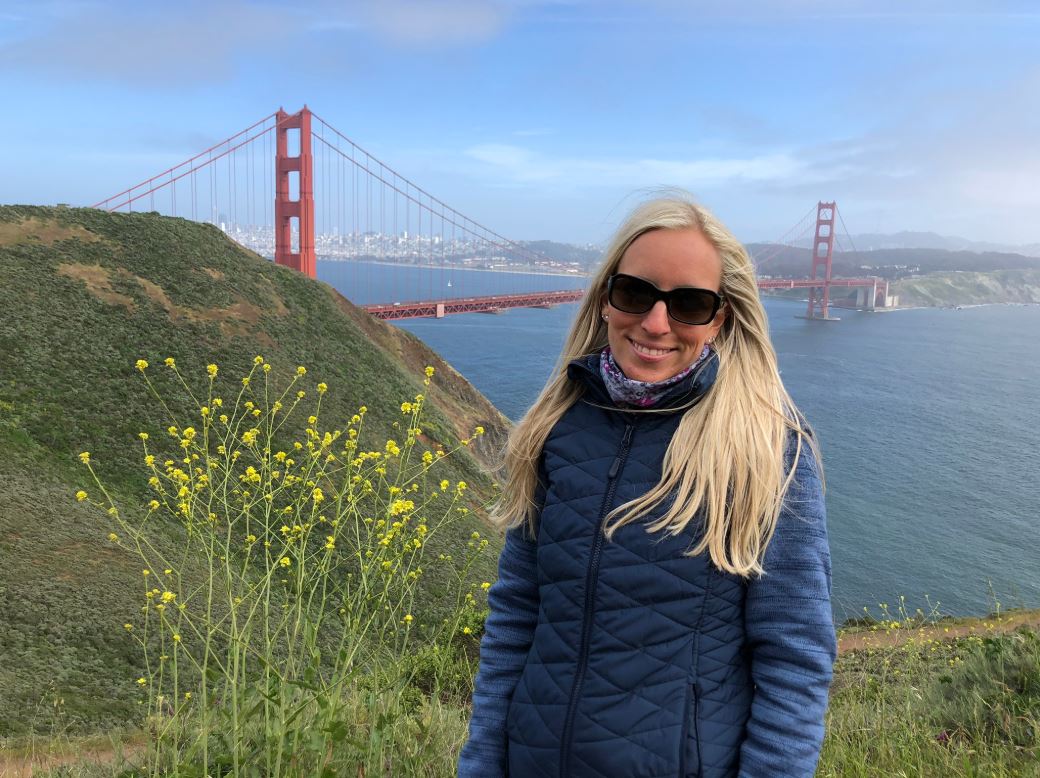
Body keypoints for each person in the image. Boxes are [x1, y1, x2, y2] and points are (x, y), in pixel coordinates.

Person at [457, 195, 837, 778]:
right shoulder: (557, 430)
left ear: (720, 320)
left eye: (689, 304)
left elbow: (794, 660)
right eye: (636, 293)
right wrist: (481, 763)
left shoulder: (768, 451)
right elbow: (516, 616)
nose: (656, 323)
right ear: (607, 299)